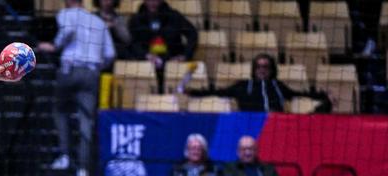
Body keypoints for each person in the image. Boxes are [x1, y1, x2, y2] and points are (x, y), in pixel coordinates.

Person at [38, 0, 114, 176]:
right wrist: (95, 67)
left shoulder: (66, 14)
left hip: (70, 69)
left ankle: (65, 156)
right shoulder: (99, 22)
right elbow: (110, 54)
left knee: (60, 110)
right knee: (86, 120)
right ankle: (83, 169)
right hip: (92, 73)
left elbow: (68, 30)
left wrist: (55, 46)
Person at [190, 53, 330, 113]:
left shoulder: (278, 86)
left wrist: (324, 96)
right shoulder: (243, 85)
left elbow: (299, 94)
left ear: (271, 69)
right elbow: (218, 92)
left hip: (276, 124)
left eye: (265, 67)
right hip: (251, 124)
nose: (262, 70)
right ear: (254, 69)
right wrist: (193, 92)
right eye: (258, 66)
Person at [127, 0, 197, 68]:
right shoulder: (136, 19)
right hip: (145, 65)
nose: (153, 2)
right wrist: (145, 55)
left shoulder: (174, 16)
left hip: (173, 64)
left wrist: (184, 56)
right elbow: (133, 43)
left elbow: (192, 34)